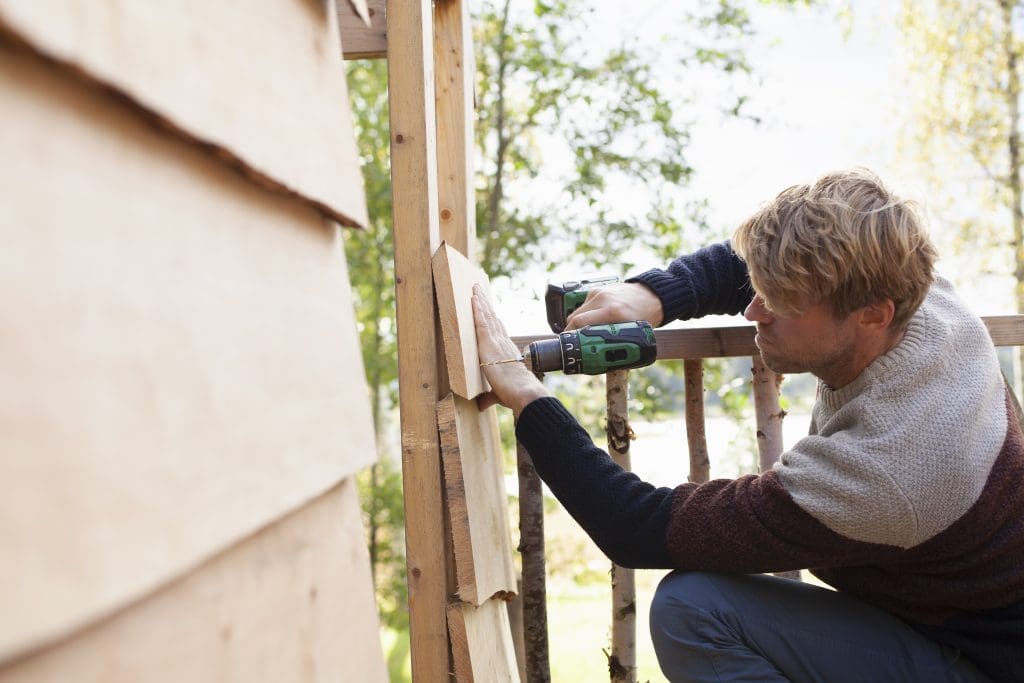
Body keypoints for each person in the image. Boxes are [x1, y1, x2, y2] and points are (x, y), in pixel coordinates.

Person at [472, 168, 1024, 682]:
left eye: (781, 303)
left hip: (978, 657)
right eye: (761, 288)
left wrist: (524, 392)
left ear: (873, 316)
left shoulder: (891, 468)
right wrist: (653, 295)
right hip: (930, 608)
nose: (752, 311)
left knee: (690, 610)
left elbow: (633, 526)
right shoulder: (920, 296)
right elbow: (781, 260)